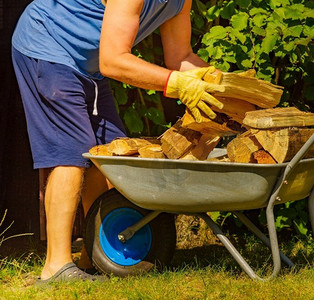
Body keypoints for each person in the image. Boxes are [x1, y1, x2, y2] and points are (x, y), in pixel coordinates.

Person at [12, 0, 224, 284]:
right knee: (71, 154)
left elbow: (180, 56)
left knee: (108, 154)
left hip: (90, 66)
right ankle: (57, 266)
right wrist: (177, 84)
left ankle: (93, 257)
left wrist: (224, 85)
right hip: (48, 45)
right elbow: (113, 61)